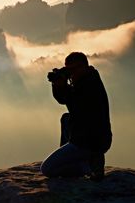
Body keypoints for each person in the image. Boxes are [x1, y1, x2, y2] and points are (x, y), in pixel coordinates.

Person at [40, 52, 112, 181]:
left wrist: (62, 85)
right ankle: (79, 160)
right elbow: (63, 100)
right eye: (69, 69)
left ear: (84, 66)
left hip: (90, 141)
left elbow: (76, 104)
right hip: (89, 136)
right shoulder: (87, 79)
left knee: (46, 169)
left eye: (75, 68)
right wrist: (57, 84)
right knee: (66, 118)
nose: (72, 72)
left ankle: (88, 167)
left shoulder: (89, 85)